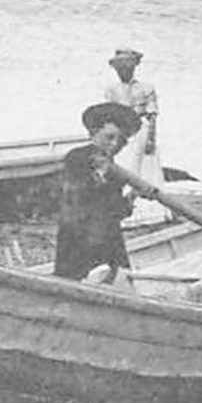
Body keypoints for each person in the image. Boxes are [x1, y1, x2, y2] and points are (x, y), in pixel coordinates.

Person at [54, 102, 142, 281]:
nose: (115, 144)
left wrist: (132, 197)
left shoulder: (116, 173)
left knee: (116, 278)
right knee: (76, 277)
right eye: (109, 137)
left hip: (109, 239)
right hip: (79, 237)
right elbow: (76, 196)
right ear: (94, 134)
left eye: (122, 141)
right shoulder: (77, 157)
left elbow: (116, 210)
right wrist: (100, 176)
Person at [104, 48, 161, 184]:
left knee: (146, 164)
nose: (122, 72)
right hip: (122, 130)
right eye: (119, 69)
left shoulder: (146, 88)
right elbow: (107, 114)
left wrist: (151, 139)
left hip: (141, 129)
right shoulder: (112, 90)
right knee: (124, 162)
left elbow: (152, 114)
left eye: (126, 68)